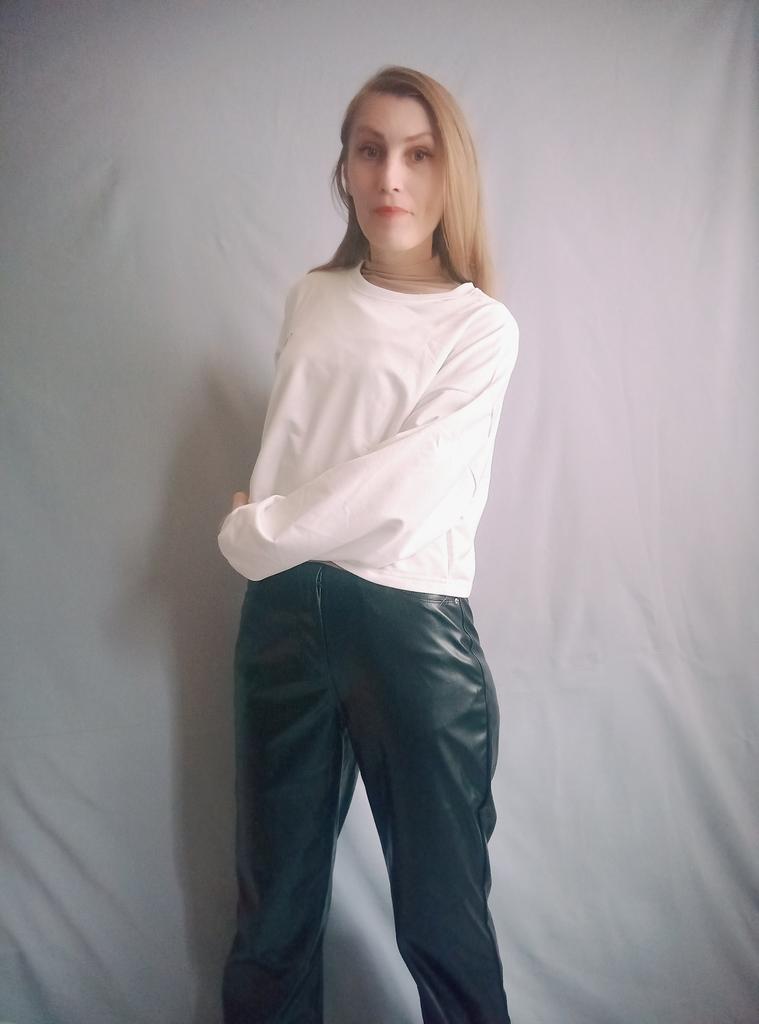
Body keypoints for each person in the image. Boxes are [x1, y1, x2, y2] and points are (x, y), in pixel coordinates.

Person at [217, 64, 519, 1024]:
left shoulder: (479, 327)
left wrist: (255, 529)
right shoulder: (311, 296)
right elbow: (298, 444)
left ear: (450, 174)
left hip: (408, 629)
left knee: (442, 924)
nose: (391, 176)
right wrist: (269, 532)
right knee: (271, 912)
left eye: (419, 155)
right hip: (281, 617)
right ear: (344, 169)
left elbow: (403, 485)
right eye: (370, 150)